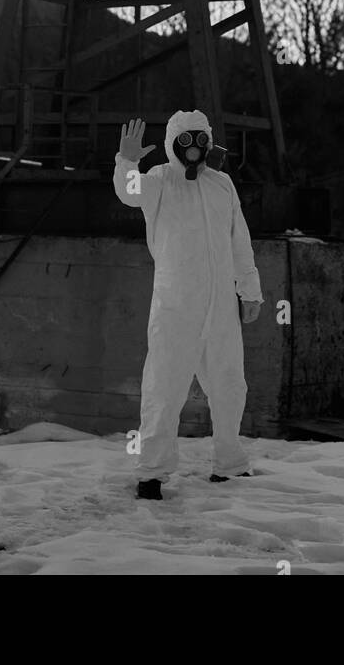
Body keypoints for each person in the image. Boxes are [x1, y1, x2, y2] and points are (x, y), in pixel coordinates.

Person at [113, 109, 263, 500]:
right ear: (173, 145)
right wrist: (127, 160)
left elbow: (239, 242)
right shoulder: (160, 181)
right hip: (176, 305)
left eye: (200, 140)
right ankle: (152, 473)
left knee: (230, 385)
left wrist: (249, 291)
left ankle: (229, 464)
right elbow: (128, 192)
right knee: (164, 389)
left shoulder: (222, 185)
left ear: (208, 142)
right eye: (185, 141)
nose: (193, 149)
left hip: (221, 309)